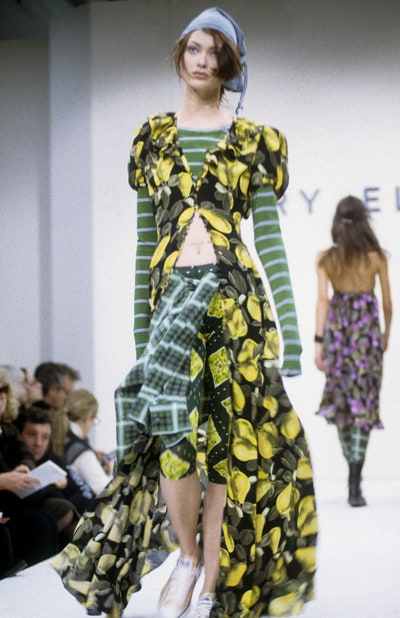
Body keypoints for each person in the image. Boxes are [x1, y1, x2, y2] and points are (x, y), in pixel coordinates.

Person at [53, 8, 317, 618]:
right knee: (172, 436)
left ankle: (211, 578)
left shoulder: (256, 141)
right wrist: (140, 334)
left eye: (215, 52)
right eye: (194, 48)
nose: (203, 61)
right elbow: (145, 242)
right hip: (170, 301)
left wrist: (292, 330)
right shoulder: (151, 137)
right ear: (181, 54)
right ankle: (189, 556)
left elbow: (270, 240)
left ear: (231, 65)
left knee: (225, 445)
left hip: (235, 304)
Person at [314, 195, 392, 507]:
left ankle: (352, 472)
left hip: (337, 336)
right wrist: (386, 334)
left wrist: (318, 342)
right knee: (364, 404)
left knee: (343, 405)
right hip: (367, 337)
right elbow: (388, 303)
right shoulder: (376, 257)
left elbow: (323, 301)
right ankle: (355, 479)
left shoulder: (326, 259)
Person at [0, 369, 59, 573]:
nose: (1, 401)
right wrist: (3, 480)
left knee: (47, 518)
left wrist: (24, 466)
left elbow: (24, 452)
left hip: (7, 497)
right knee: (41, 520)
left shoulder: (6, 427)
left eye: (3, 395)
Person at [16, 406, 95, 517]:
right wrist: (53, 490)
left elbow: (87, 496)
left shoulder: (55, 462)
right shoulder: (11, 465)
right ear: (19, 435)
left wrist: (65, 487)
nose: (38, 443)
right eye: (32, 434)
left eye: (45, 437)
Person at [51, 389, 113, 495]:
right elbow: (105, 490)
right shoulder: (82, 453)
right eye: (94, 420)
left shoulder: (58, 435)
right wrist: (112, 470)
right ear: (88, 417)